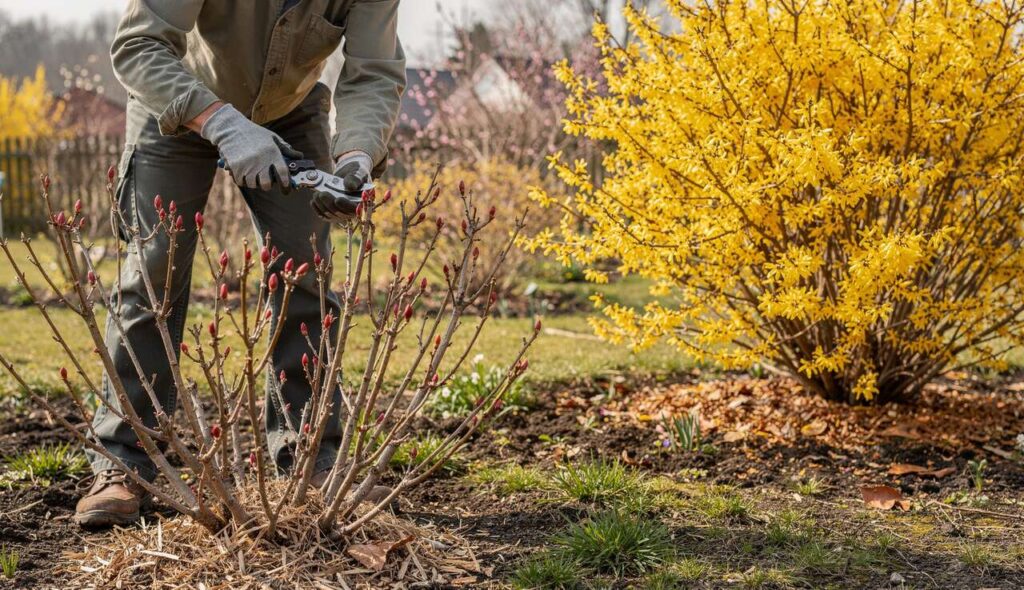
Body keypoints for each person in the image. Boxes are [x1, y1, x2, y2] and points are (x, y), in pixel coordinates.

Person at [74, 0, 406, 528]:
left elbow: (375, 71)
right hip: (177, 102)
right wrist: (222, 122)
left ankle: (311, 460)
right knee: (153, 273)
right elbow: (137, 44)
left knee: (307, 275)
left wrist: (356, 155)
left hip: (291, 113)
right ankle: (123, 463)